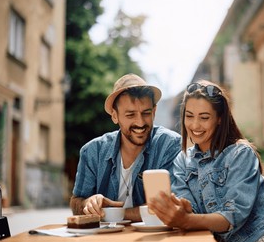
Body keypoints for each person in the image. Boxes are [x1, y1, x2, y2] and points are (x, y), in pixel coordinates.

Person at [148, 80, 264, 242]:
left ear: (220, 119)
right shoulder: (182, 160)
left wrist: (186, 219)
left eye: (204, 117)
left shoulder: (240, 154)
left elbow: (233, 216)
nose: (195, 125)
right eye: (189, 115)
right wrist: (181, 208)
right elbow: (190, 212)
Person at [70, 73, 181, 222]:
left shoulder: (170, 145)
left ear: (154, 112)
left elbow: (170, 206)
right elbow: (76, 201)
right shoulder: (92, 151)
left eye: (146, 113)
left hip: (155, 239)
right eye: (130, 115)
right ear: (115, 116)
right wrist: (87, 203)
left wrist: (111, 214)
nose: (140, 122)